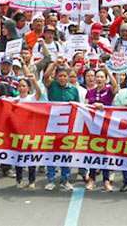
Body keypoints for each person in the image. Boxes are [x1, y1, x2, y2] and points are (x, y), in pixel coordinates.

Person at [42, 62, 79, 191]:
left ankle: (65, 179)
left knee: (65, 152)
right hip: (52, 125)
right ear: (56, 77)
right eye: (60, 76)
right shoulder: (52, 85)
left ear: (68, 77)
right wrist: (53, 64)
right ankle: (50, 179)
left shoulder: (73, 90)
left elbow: (78, 107)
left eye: (65, 76)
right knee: (51, 151)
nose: (62, 78)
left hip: (67, 126)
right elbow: (45, 77)